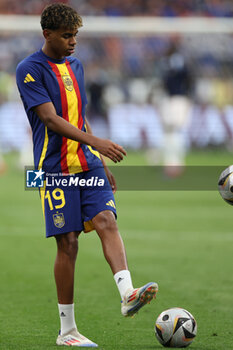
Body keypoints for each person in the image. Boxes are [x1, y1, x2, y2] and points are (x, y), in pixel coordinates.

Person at [16, 3, 158, 348]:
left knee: (107, 220)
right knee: (69, 243)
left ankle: (127, 293)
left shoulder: (76, 65)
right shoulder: (29, 70)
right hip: (54, 169)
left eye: (76, 35)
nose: (73, 42)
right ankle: (67, 332)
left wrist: (100, 160)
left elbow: (78, 116)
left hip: (88, 163)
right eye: (67, 36)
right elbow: (52, 120)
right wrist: (99, 142)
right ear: (47, 34)